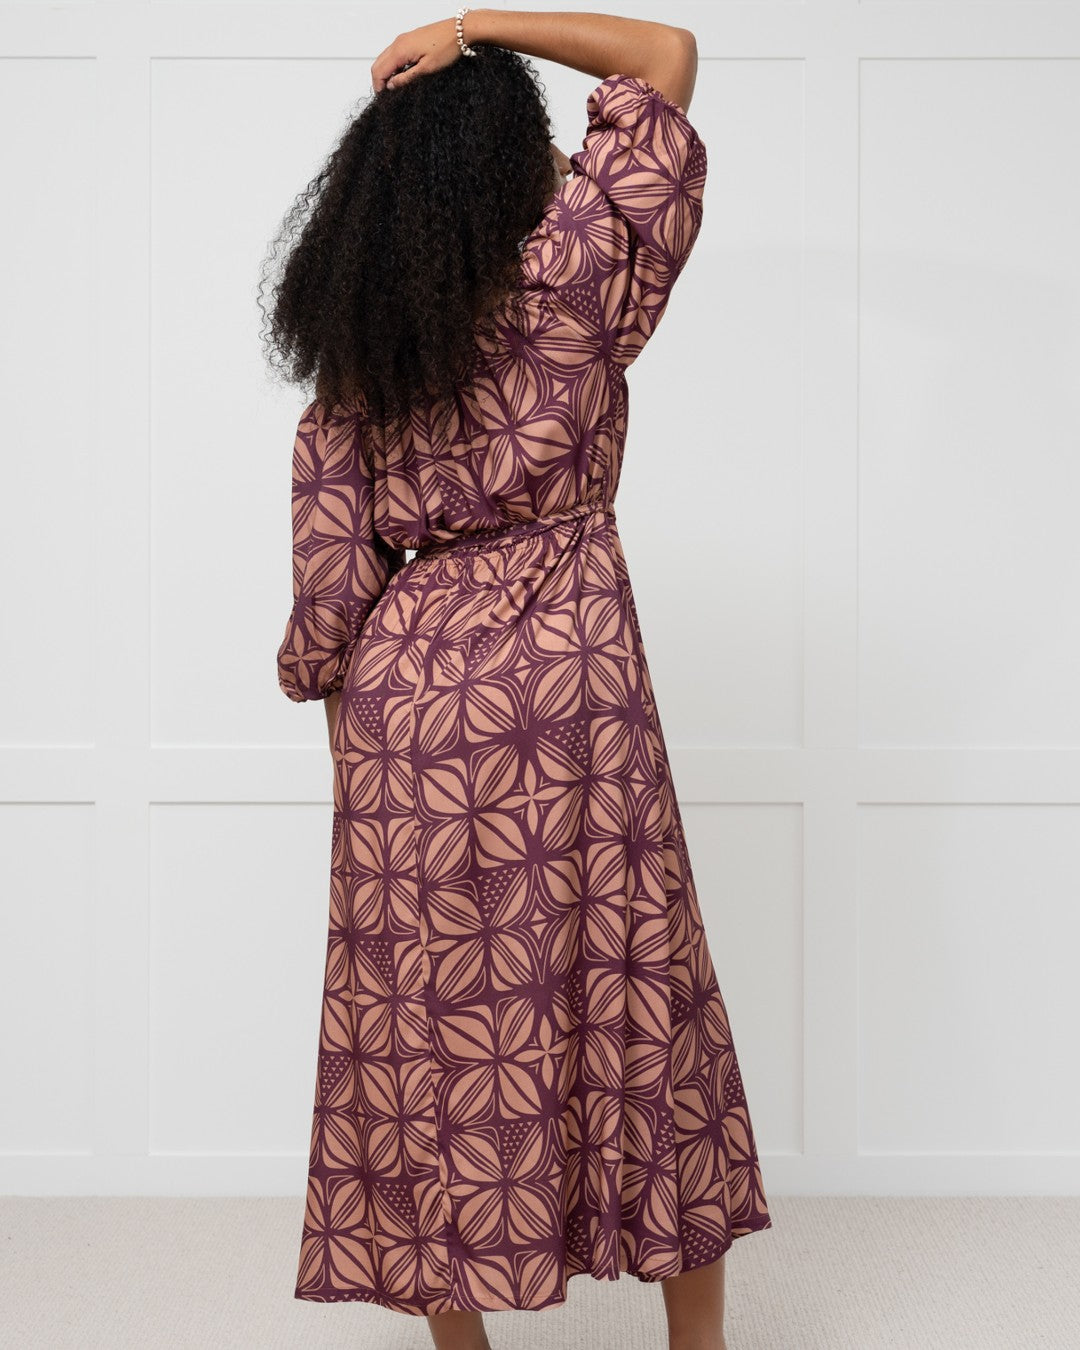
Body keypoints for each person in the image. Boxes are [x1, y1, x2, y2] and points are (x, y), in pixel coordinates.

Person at [261, 9, 772, 1349]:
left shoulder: (361, 353)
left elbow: (329, 591)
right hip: (573, 674)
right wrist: (480, 21)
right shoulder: (577, 273)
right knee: (638, 990)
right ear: (517, 162)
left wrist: (345, 731)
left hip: (410, 708)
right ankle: (698, 1344)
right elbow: (663, 60)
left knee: (424, 1026)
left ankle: (464, 1344)